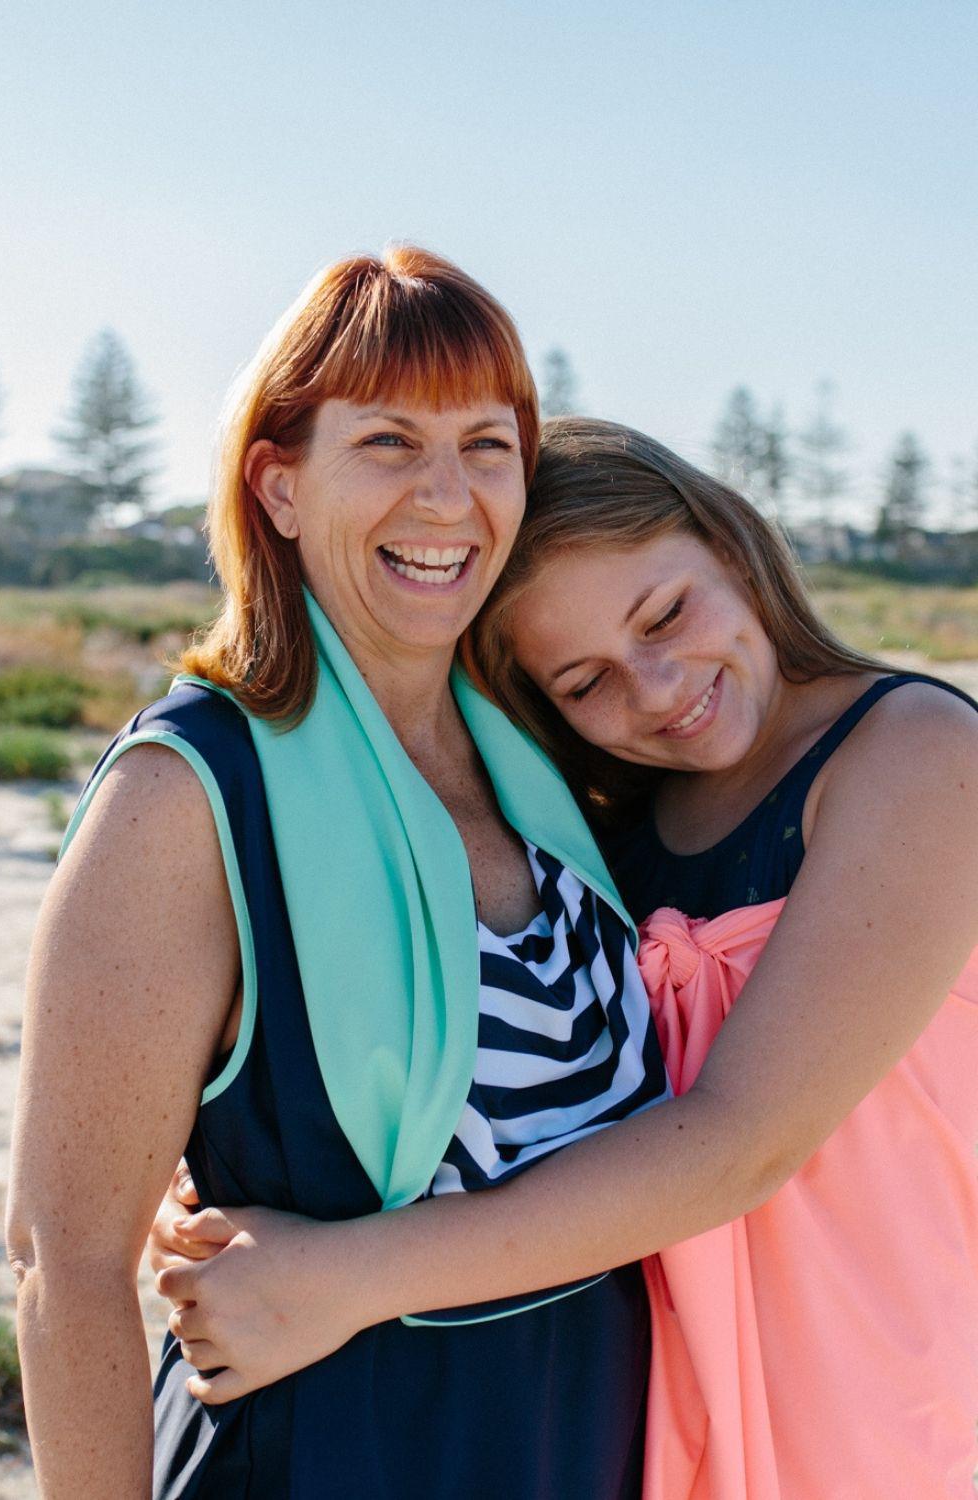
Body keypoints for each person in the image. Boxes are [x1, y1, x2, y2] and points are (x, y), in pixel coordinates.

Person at [151, 418, 978, 1498]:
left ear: (731, 543)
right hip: (651, 1391)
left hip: (871, 1378)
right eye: (583, 682)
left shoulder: (914, 753)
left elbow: (744, 1144)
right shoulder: (605, 830)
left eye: (666, 614)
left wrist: (338, 1280)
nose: (654, 687)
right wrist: (212, 1180)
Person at [7, 256, 675, 1500]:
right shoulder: (190, 794)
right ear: (278, 485)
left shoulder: (552, 751)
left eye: (487, 444)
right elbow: (68, 1258)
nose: (447, 496)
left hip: (575, 1443)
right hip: (335, 1458)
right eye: (386, 441)